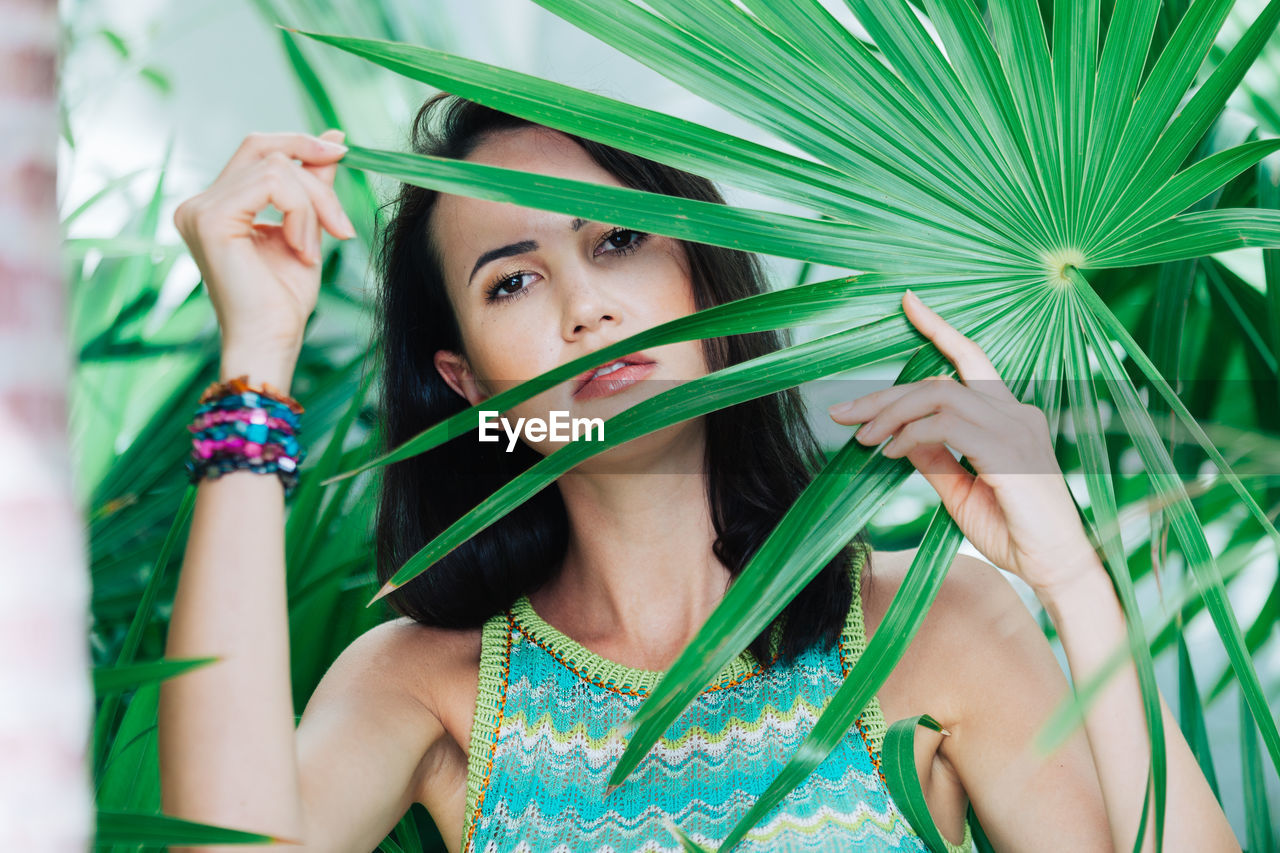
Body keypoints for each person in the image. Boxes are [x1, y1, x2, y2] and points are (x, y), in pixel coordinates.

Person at [160, 94, 1239, 853]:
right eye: (512, 281)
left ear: (710, 284)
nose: (586, 307)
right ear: (471, 385)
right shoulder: (422, 677)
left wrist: (1067, 575)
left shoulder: (929, 621)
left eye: (620, 242)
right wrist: (255, 357)